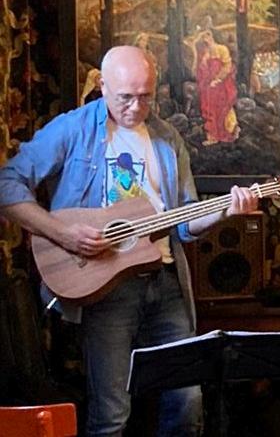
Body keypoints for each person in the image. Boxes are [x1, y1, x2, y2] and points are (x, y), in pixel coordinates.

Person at [0, 45, 259, 436]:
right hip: (105, 287)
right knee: (111, 415)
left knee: (187, 404)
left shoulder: (168, 138)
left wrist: (226, 210)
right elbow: (7, 184)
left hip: (166, 283)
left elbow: (185, 222)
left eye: (146, 96)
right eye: (125, 97)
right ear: (102, 86)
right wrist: (62, 232)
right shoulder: (73, 129)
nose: (137, 108)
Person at [195, 28, 240, 145]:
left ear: (212, 37)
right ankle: (213, 136)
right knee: (210, 109)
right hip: (210, 87)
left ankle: (230, 131)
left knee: (223, 108)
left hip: (222, 85)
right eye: (204, 38)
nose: (206, 40)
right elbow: (202, 70)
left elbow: (227, 66)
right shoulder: (205, 53)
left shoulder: (222, 49)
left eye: (207, 36)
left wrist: (218, 79)